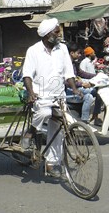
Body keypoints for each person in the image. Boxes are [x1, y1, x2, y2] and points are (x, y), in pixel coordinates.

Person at [22, 19, 82, 178]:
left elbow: (69, 72)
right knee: (44, 113)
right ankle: (31, 131)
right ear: (47, 35)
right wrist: (30, 93)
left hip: (59, 95)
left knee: (58, 129)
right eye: (56, 32)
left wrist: (75, 89)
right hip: (41, 95)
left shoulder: (62, 49)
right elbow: (27, 74)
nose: (59, 34)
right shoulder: (33, 51)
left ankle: (51, 163)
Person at [66, 44, 102, 126]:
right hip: (69, 91)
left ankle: (95, 116)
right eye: (78, 53)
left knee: (99, 92)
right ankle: (84, 122)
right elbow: (66, 82)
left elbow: (82, 73)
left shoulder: (74, 64)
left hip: (77, 88)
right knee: (89, 96)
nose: (79, 55)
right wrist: (81, 84)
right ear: (72, 53)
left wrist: (97, 75)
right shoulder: (66, 65)